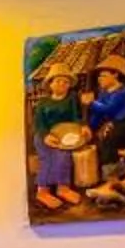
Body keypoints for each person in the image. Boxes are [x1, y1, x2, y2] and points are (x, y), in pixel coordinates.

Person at [29, 72, 84, 210]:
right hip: (44, 136)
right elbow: (38, 123)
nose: (62, 84)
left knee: (64, 157)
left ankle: (63, 188)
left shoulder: (71, 99)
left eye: (65, 82)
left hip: (65, 137)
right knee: (47, 159)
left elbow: (76, 117)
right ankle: (43, 191)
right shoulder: (43, 102)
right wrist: (46, 136)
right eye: (58, 81)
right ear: (51, 84)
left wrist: (83, 127)